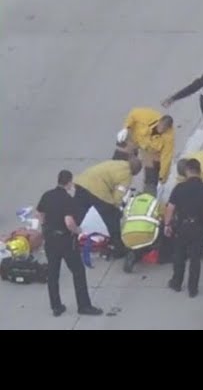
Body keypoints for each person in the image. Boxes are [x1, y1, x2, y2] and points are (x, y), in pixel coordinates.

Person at [35, 170, 103, 317]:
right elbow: (68, 222)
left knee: (53, 273)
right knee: (78, 271)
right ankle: (84, 306)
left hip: (50, 240)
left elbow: (39, 213)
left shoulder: (47, 195)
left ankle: (56, 306)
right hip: (65, 241)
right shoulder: (68, 199)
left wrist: (45, 227)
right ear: (69, 182)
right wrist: (78, 231)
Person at [164, 159, 203, 298]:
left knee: (179, 256)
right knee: (195, 259)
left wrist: (167, 224)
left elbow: (170, 208)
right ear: (199, 171)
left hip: (182, 226)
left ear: (187, 171)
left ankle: (176, 283)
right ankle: (193, 289)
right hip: (199, 227)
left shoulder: (179, 188)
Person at [74, 158, 143, 258]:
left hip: (82, 182)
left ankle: (68, 239)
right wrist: (116, 205)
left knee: (77, 215)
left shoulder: (118, 163)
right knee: (112, 218)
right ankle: (119, 248)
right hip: (97, 190)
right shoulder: (127, 175)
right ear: (136, 172)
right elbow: (119, 194)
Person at [113, 107, 175, 196]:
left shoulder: (169, 137)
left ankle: (148, 195)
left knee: (154, 170)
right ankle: (113, 176)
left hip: (150, 149)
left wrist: (162, 178)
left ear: (168, 129)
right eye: (160, 126)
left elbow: (166, 158)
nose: (160, 130)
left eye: (164, 129)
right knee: (121, 151)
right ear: (159, 121)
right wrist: (126, 127)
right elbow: (133, 114)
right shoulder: (147, 116)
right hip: (135, 138)